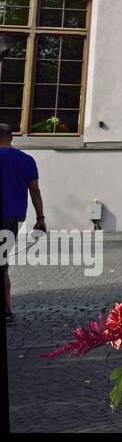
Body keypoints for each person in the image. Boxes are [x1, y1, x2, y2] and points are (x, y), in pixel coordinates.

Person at [1, 122, 44, 323]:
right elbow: (34, 190)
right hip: (14, 215)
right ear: (11, 137)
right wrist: (40, 218)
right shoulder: (26, 160)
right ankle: (6, 308)